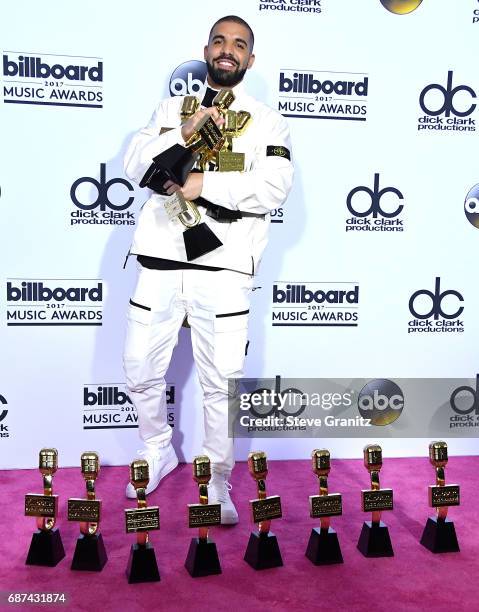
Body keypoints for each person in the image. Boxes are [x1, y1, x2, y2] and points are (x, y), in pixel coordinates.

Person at [123, 15, 293, 524]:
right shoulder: (173, 108)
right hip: (158, 259)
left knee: (222, 380)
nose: (228, 50)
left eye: (239, 45)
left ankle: (217, 482)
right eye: (220, 41)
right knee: (139, 368)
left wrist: (205, 187)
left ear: (250, 60)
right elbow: (135, 165)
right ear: (207, 50)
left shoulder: (266, 121)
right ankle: (158, 450)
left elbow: (273, 187)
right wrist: (184, 130)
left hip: (222, 267)